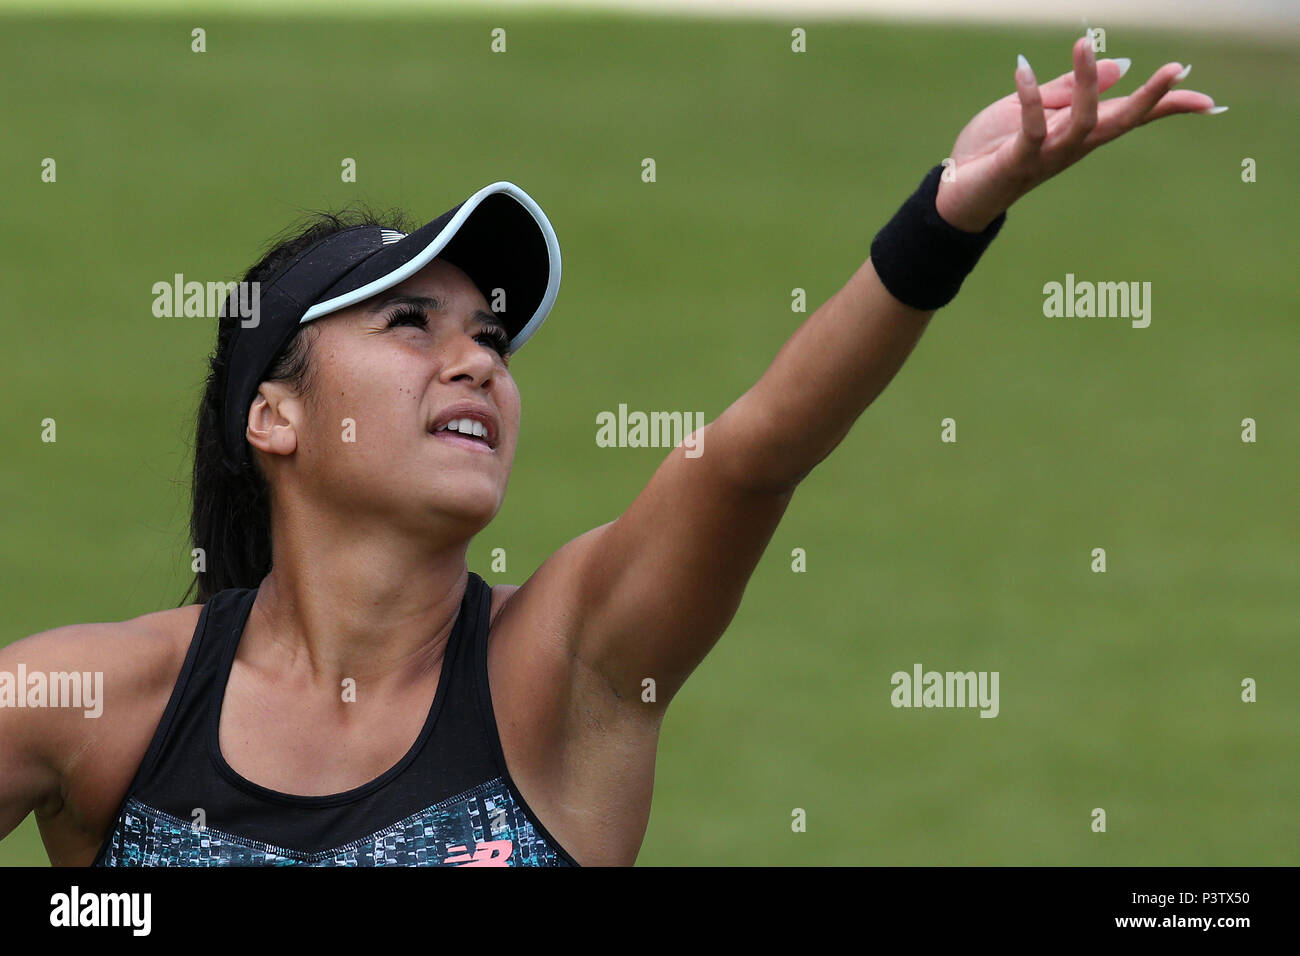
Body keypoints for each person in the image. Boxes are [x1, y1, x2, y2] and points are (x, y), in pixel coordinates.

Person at [0, 37, 1221, 866]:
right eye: (408, 321)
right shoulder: (87, 706)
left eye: (492, 334)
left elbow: (751, 457)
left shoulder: (566, 668)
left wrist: (947, 215)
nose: (477, 358)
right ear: (276, 416)